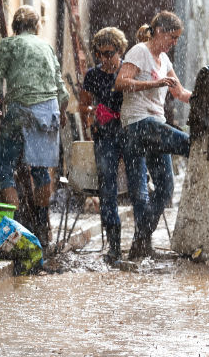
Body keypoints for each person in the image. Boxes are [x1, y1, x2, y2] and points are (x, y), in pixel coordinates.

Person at [0, 5, 69, 246]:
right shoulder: (46, 46)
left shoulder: (8, 45)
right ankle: (42, 228)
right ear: (36, 26)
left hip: (20, 109)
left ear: (14, 26)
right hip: (48, 110)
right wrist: (60, 114)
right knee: (41, 169)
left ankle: (16, 231)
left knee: (4, 168)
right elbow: (62, 90)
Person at [114, 11, 192, 259]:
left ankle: (140, 243)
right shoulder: (139, 51)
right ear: (159, 31)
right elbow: (121, 82)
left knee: (164, 189)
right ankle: (200, 148)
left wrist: (205, 95)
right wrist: (153, 84)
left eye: (178, 38)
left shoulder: (165, 61)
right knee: (189, 145)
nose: (174, 43)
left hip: (154, 126)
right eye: (172, 37)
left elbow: (180, 94)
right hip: (137, 125)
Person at [79, 27, 129, 264]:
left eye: (110, 53)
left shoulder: (127, 71)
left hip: (129, 134)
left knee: (139, 189)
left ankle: (142, 242)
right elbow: (83, 107)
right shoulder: (92, 76)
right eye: (100, 54)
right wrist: (95, 111)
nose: (105, 59)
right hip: (104, 136)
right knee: (107, 192)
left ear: (120, 51)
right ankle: (114, 246)